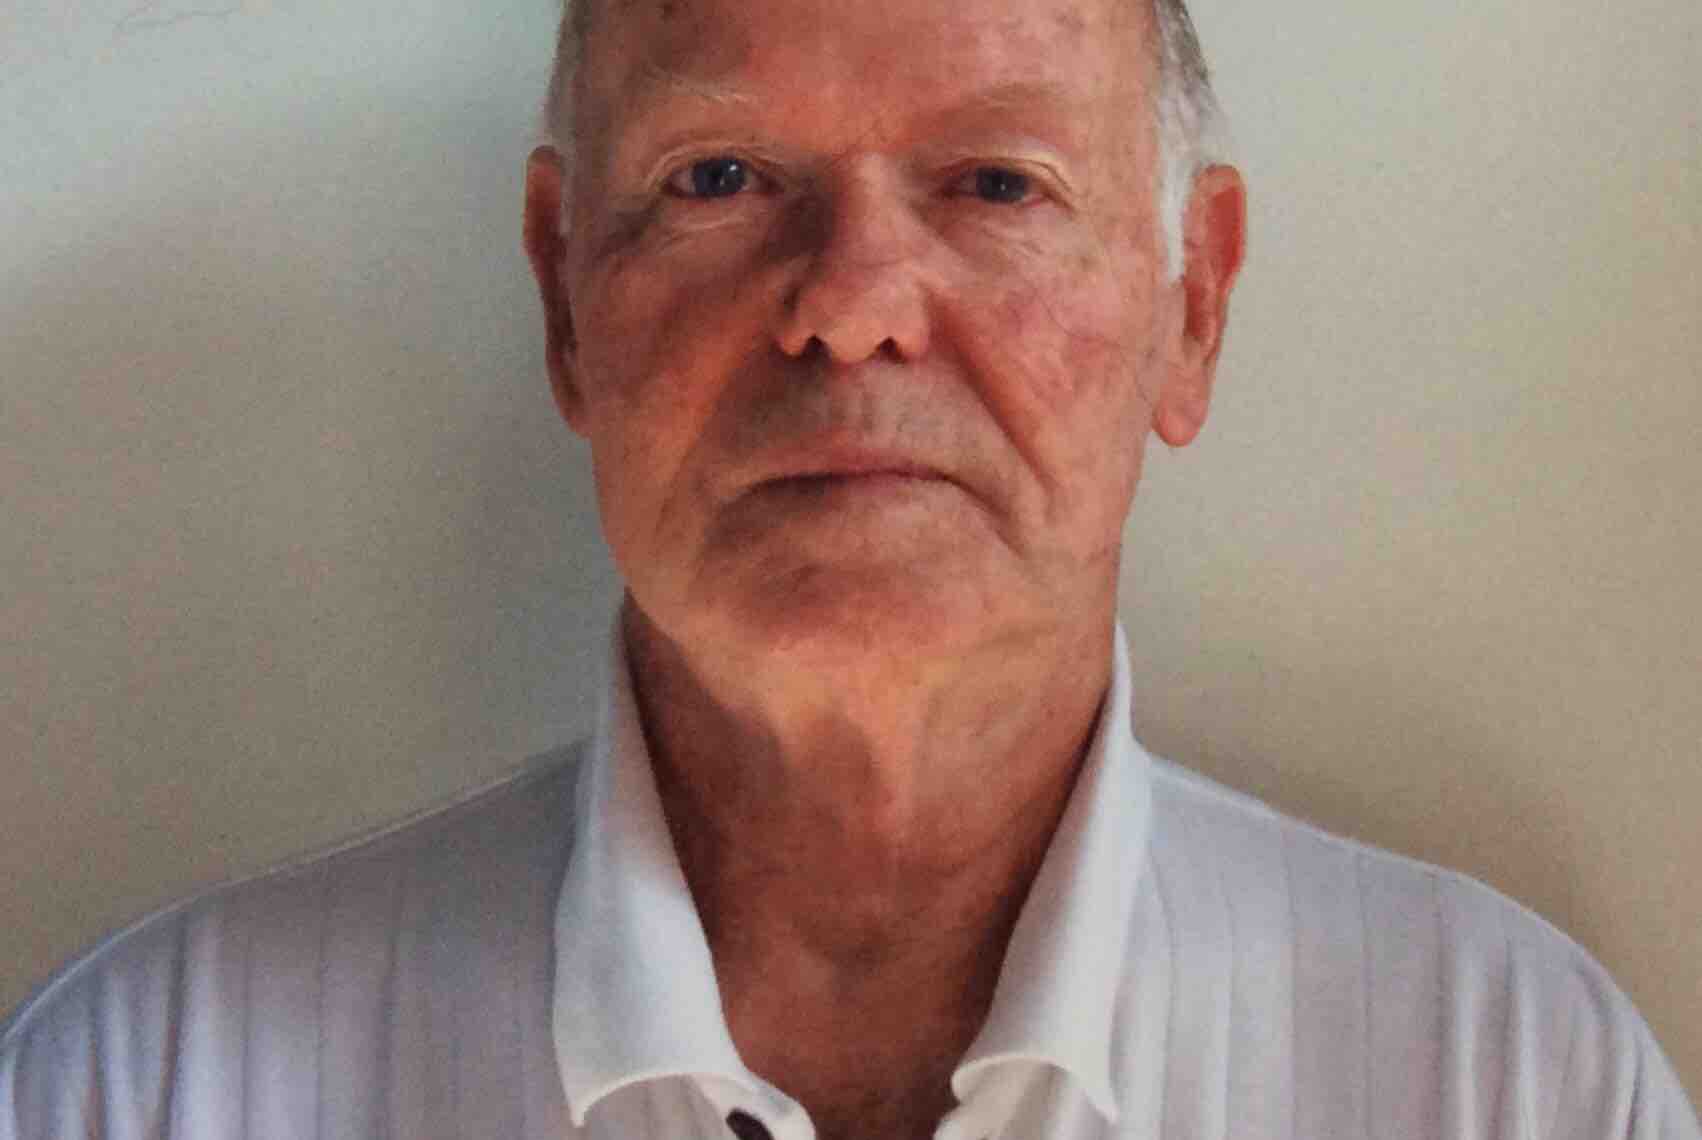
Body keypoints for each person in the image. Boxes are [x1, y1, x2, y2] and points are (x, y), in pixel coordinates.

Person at [2, 0, 1696, 1136]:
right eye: (719, 179)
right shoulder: (148, 1089)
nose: (852, 303)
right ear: (561, 297)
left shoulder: (1508, 1082)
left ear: (1193, 305)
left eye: (996, 183)